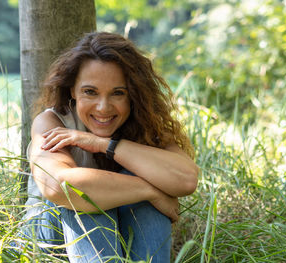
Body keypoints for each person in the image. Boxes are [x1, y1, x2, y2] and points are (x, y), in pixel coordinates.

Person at [19, 32, 199, 263]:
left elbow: (185, 179)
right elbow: (60, 186)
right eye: (90, 92)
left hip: (117, 237)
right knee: (88, 202)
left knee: (140, 200)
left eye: (118, 93)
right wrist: (151, 191)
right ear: (72, 90)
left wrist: (104, 144)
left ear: (132, 95)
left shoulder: (144, 125)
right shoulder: (53, 123)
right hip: (47, 241)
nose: (103, 107)